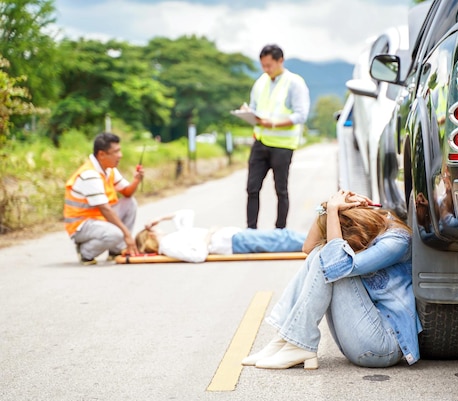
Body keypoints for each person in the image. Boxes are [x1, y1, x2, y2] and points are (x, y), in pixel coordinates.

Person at [242, 190, 422, 370]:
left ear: (359, 227)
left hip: (383, 346)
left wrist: (334, 215)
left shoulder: (396, 241)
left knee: (331, 261)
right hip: (364, 336)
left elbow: (335, 264)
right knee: (320, 254)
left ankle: (299, 343)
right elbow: (308, 247)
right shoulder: (373, 228)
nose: (347, 242)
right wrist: (328, 207)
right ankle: (284, 339)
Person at [245, 44, 310, 229]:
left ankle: (280, 229)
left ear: (280, 61)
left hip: (282, 145)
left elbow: (300, 115)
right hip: (260, 141)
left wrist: (272, 123)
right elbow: (255, 107)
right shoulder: (260, 82)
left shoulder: (294, 83)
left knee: (280, 190)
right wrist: (248, 113)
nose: (266, 70)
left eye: (269, 65)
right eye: (263, 66)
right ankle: (251, 230)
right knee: (252, 188)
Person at [64, 132, 143, 265]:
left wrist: (136, 180)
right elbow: (105, 209)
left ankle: (115, 250)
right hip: (81, 225)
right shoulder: (89, 174)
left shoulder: (108, 169)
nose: (120, 155)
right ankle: (85, 252)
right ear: (102, 154)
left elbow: (127, 193)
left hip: (99, 220)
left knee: (130, 203)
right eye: (116, 152)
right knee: (117, 234)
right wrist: (127, 235)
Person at [135, 209, 307, 263]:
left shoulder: (172, 238)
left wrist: (160, 218)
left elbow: (186, 213)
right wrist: (209, 235)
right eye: (156, 227)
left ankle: (325, 237)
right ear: (150, 235)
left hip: (233, 236)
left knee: (284, 237)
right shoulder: (167, 245)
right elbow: (197, 256)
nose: (159, 228)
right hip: (233, 242)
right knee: (284, 238)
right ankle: (326, 238)